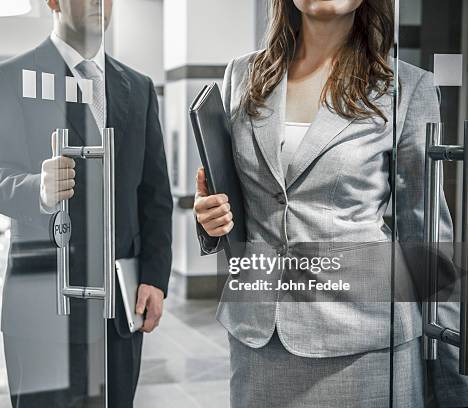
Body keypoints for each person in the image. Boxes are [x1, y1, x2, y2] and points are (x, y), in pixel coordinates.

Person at [193, 0, 459, 406]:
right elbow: (232, 202)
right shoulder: (242, 76)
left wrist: (452, 375)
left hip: (365, 340)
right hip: (259, 335)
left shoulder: (406, 87)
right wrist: (209, 221)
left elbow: (428, 239)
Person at [0, 0, 172, 407]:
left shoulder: (138, 87)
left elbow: (154, 194)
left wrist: (154, 277)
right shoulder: (9, 78)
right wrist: (37, 189)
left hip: (119, 307)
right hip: (43, 305)